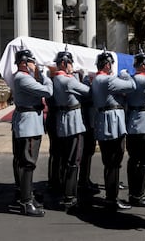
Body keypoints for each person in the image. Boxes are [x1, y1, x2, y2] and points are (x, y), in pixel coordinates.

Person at [92, 50, 136, 210]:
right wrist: (124, 74)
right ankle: (112, 198)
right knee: (114, 161)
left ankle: (111, 195)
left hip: (104, 120)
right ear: (108, 65)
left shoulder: (97, 79)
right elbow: (132, 85)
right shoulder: (108, 80)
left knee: (109, 162)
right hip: (113, 123)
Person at [12, 49, 53, 216]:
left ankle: (27, 196)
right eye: (31, 62)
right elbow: (48, 92)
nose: (34, 65)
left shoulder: (24, 77)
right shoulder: (23, 78)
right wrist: (44, 75)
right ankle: (26, 202)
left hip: (29, 122)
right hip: (28, 124)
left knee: (26, 162)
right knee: (28, 163)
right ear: (23, 63)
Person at [52, 49, 90, 211]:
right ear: (63, 63)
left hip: (63, 120)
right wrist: (87, 79)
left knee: (66, 159)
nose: (72, 66)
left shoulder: (57, 79)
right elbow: (89, 92)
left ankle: (67, 193)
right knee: (74, 161)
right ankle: (70, 196)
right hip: (73, 123)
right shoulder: (68, 81)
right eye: (70, 63)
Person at [125, 50, 145, 207]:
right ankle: (139, 194)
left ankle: (133, 193)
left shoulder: (130, 80)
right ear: (144, 66)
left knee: (133, 159)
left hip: (132, 123)